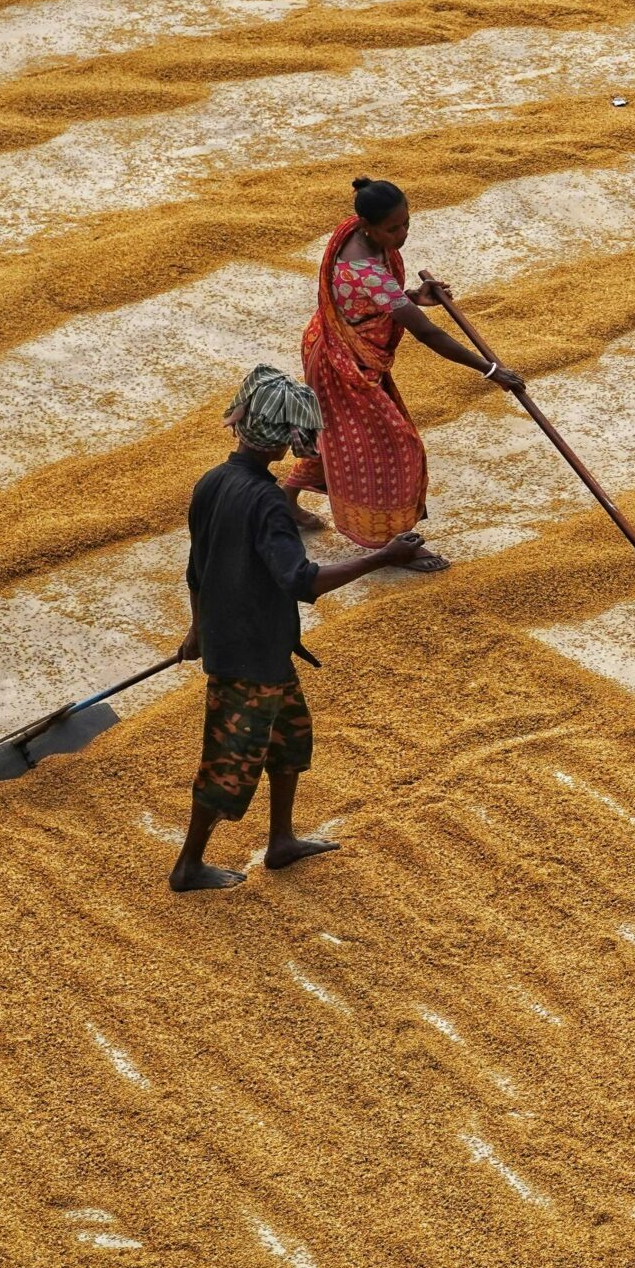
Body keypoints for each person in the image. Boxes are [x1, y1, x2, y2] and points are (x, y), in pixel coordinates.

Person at [172, 366, 425, 893]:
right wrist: (384, 556)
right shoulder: (266, 502)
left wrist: (198, 631)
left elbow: (197, 569)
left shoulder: (212, 482)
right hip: (247, 657)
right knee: (229, 759)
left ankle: (280, 841)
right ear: (286, 439)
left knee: (288, 740)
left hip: (258, 646)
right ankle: (188, 866)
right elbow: (301, 581)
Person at [281, 176, 525, 570]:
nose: (403, 234)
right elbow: (426, 334)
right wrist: (490, 369)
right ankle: (394, 545)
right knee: (395, 449)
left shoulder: (357, 236)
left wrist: (412, 297)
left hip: (341, 347)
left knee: (339, 435)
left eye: (406, 223)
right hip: (342, 364)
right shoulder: (364, 269)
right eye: (393, 228)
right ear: (365, 224)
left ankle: (286, 501)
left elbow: (370, 305)